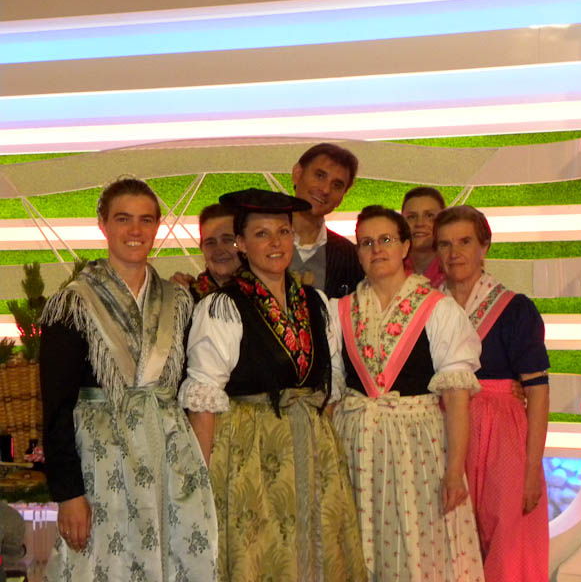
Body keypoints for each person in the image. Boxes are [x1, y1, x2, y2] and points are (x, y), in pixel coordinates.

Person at [179, 188, 366, 582]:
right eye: (261, 234)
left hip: (313, 449)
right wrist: (202, 482)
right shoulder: (222, 307)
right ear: (242, 244)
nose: (276, 243)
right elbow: (203, 400)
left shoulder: (316, 303)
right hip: (251, 453)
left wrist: (320, 443)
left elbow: (330, 387)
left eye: (283, 232)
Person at [39, 177, 217, 582]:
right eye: (123, 219)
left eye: (146, 220)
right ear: (103, 224)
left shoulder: (179, 302)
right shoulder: (73, 303)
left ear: (157, 226)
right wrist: (69, 494)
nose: (135, 230)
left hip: (169, 460)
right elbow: (56, 409)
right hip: (101, 466)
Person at [330, 205, 485, 581]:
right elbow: (333, 394)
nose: (376, 249)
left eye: (385, 239)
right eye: (366, 242)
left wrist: (454, 471)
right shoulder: (339, 311)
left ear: (404, 247)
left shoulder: (438, 309)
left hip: (416, 450)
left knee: (418, 549)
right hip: (356, 447)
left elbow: (457, 397)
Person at [435, 205, 550, 582]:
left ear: (484, 246)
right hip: (442, 429)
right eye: (445, 244)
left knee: (508, 540)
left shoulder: (516, 309)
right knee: (449, 540)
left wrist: (532, 470)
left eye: (465, 242)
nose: (455, 253)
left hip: (502, 436)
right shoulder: (426, 307)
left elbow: (537, 391)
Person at [290, 143, 364, 298]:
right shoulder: (260, 240)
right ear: (297, 173)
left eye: (337, 185)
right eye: (320, 176)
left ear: (342, 197)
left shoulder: (351, 257)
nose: (325, 190)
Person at [171, 202, 241, 302]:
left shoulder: (260, 294)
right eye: (210, 242)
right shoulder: (187, 297)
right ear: (201, 247)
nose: (219, 250)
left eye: (227, 240)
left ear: (243, 243)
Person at [400, 186, 447, 287]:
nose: (420, 223)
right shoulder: (392, 268)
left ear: (444, 221)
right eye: (411, 217)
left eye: (430, 215)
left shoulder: (454, 267)